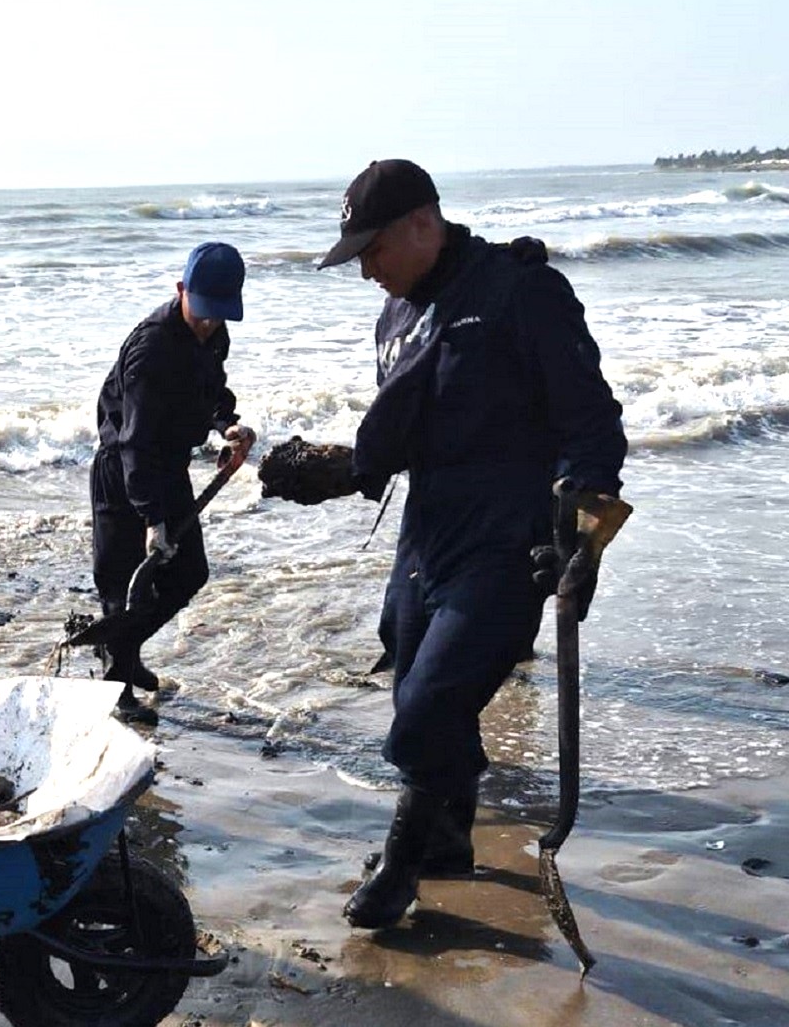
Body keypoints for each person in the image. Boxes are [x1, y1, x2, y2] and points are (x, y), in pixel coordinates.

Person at [316, 159, 627, 929]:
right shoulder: (394, 319)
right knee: (408, 668)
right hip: (428, 533)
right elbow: (396, 432)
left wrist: (583, 536)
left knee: (426, 710)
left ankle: (402, 862)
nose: (366, 273)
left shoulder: (521, 292)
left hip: (509, 539)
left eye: (372, 252)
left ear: (423, 223)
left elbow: (592, 421)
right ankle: (449, 836)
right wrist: (329, 466)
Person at [91, 242, 257, 726]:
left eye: (219, 315)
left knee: (189, 573)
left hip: (168, 467)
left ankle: (125, 649)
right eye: (203, 312)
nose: (208, 324)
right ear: (181, 289)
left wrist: (226, 422)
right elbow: (135, 441)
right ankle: (116, 689)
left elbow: (211, 388)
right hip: (124, 471)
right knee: (122, 585)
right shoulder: (150, 349)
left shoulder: (215, 333)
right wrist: (151, 518)